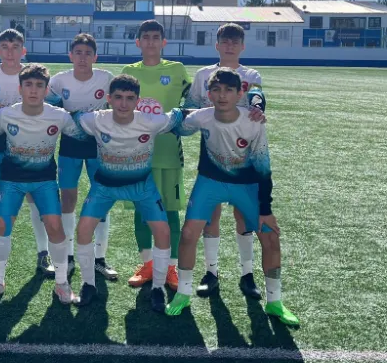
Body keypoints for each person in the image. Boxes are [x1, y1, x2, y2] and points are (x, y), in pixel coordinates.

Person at [165, 68, 299, 325]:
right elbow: (177, 125)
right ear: (209, 94)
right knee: (189, 234)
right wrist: (167, 116)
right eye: (216, 90)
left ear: (240, 94)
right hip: (210, 183)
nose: (222, 95)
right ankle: (182, 294)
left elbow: (263, 169)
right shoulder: (203, 116)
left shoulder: (253, 121)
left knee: (270, 236)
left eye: (229, 90)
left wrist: (266, 209)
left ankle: (275, 302)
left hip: (246, 185)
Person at [72, 75, 186, 311]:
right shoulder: (95, 119)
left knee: (163, 232)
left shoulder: (151, 121)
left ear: (137, 101)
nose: (123, 103)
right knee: (83, 230)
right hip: (105, 186)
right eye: (118, 97)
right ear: (109, 99)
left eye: (129, 98)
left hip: (142, 187)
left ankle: (157, 288)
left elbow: (180, 115)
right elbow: (68, 117)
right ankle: (88, 285)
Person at [0, 64, 88, 304]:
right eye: (28, 85)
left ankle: (62, 283)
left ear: (47, 90)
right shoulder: (6, 115)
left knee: (55, 227)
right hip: (11, 181)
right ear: (20, 88)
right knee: (2, 225)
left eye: (39, 85)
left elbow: (81, 134)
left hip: (44, 181)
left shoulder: (59, 116)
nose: (33, 90)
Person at [185, 23, 267, 298]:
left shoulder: (250, 75)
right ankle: (211, 272)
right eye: (225, 41)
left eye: (235, 41)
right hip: (212, 151)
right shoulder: (202, 74)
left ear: (242, 46)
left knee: (243, 214)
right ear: (217, 44)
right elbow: (191, 105)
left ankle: (247, 275)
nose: (230, 46)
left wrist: (257, 107)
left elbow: (257, 97)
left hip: (243, 155)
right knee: (211, 212)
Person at [0, 29, 54, 278]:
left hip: (30, 144)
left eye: (15, 47)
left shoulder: (32, 76)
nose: (10, 52)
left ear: (23, 50)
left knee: (34, 197)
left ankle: (44, 253)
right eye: (5, 47)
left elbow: (52, 103)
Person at [120, 20, 191, 291]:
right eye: (146, 37)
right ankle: (148, 264)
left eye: (155, 37)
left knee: (170, 212)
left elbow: (193, 101)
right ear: (138, 42)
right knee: (142, 211)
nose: (150, 41)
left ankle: (171, 267)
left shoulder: (177, 69)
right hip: (136, 156)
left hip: (168, 154)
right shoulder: (129, 71)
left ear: (163, 42)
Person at [46, 33, 117, 280]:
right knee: (68, 198)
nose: (83, 58)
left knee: (102, 196)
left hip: (99, 145)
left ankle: (99, 258)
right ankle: (67, 256)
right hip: (70, 145)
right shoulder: (59, 81)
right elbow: (47, 106)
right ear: (71, 56)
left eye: (88, 53)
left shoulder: (106, 78)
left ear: (95, 57)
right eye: (78, 53)